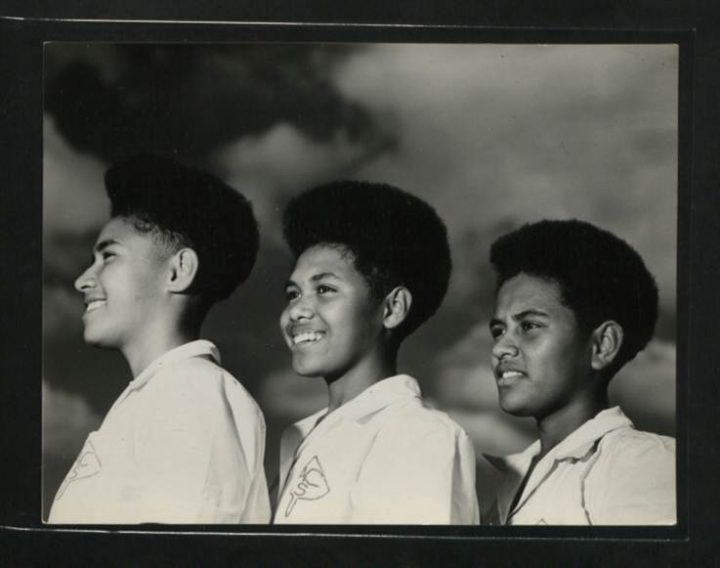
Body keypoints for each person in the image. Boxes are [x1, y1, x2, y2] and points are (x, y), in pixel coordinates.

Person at [48, 155, 270, 524]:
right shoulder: (162, 395)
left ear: (179, 271)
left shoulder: (190, 393)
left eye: (109, 256)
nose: (83, 280)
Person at [273, 180, 479, 525]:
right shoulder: (299, 438)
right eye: (293, 294)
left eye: (325, 289)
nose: (297, 311)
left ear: (392, 308)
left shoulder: (417, 435)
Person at [485, 219, 676, 525]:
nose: (500, 349)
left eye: (529, 326)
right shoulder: (508, 485)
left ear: (602, 345)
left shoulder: (642, 464)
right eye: (498, 330)